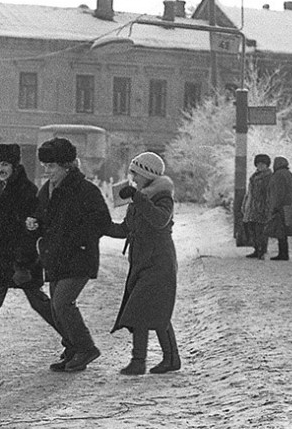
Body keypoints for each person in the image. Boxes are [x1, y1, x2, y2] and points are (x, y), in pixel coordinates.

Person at [0, 143, 58, 364]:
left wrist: (23, 264)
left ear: (15, 165)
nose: (0, 169)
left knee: (39, 303)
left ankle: (74, 341)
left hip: (21, 257)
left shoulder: (27, 191)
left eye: (4, 164)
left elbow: (30, 230)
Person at [27, 137, 111, 373]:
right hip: (55, 258)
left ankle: (86, 348)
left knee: (63, 303)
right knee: (56, 307)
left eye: (51, 166)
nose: (46, 171)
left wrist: (76, 237)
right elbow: (41, 215)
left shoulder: (86, 191)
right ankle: (73, 349)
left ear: (67, 166)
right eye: (45, 166)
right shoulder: (49, 189)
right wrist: (34, 223)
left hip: (79, 258)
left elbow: (101, 222)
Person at [106, 152, 180, 376]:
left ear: (148, 174)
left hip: (159, 262)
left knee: (141, 310)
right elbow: (126, 229)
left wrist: (138, 198)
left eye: (136, 173)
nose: (132, 177)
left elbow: (159, 220)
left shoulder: (163, 197)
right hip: (141, 261)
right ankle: (170, 358)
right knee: (154, 311)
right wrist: (99, 225)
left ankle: (140, 361)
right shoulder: (140, 197)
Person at [266, 156, 292, 260]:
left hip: (280, 206)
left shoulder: (278, 175)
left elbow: (278, 192)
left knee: (280, 230)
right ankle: (284, 253)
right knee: (285, 229)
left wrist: (274, 206)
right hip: (289, 205)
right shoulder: (289, 174)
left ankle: (283, 253)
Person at [242, 154, 272, 259]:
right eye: (258, 163)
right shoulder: (254, 176)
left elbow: (268, 193)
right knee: (252, 228)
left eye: (263, 164)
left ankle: (262, 250)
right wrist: (245, 204)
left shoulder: (268, 177)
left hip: (262, 206)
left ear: (267, 165)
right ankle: (256, 248)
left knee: (261, 229)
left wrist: (267, 206)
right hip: (252, 206)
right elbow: (249, 192)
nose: (260, 165)